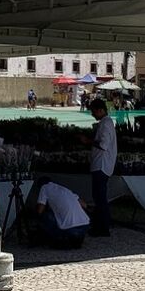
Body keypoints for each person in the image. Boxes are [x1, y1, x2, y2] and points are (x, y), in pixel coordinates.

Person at [88, 98, 116, 237]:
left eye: (94, 112)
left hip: (102, 165)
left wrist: (88, 141)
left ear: (100, 110)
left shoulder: (106, 124)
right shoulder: (105, 123)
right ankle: (100, 225)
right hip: (101, 165)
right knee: (99, 197)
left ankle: (103, 227)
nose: (93, 115)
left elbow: (103, 145)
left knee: (100, 198)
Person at [34, 178, 90, 248]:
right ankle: (75, 239)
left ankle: (59, 239)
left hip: (70, 229)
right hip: (85, 225)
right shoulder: (64, 189)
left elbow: (40, 210)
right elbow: (84, 205)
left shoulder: (44, 188)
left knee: (47, 216)